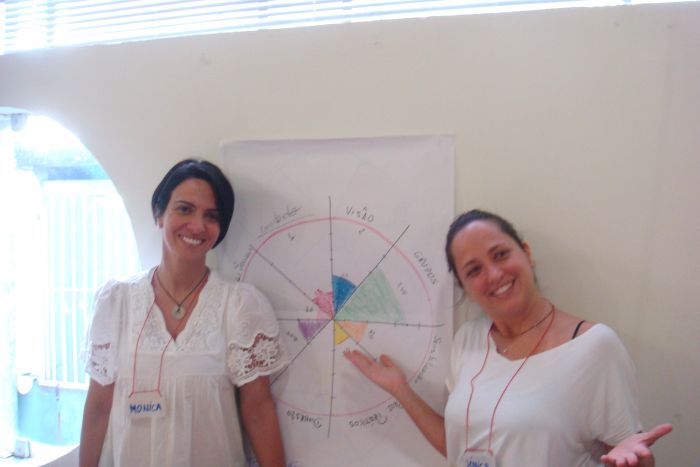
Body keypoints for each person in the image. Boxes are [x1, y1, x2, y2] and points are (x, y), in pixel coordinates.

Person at [345, 209, 672, 466]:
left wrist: (636, 462)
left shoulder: (594, 346)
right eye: (474, 270)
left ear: (526, 253)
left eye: (500, 254)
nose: (494, 274)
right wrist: (401, 390)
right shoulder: (469, 339)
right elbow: (459, 448)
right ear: (465, 287)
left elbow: (630, 453)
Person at [79, 159, 287, 467]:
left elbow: (258, 411)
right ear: (159, 214)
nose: (198, 226)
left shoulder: (240, 305)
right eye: (185, 209)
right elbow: (98, 407)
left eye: (211, 216)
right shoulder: (117, 301)